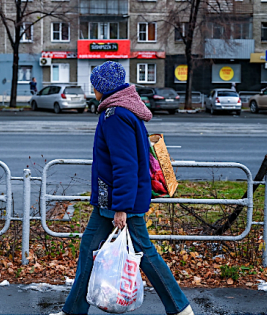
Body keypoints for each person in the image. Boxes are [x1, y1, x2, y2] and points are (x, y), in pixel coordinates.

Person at [51, 61, 194, 315]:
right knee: (89, 251)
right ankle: (72, 310)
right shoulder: (124, 111)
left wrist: (122, 208)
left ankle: (180, 308)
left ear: (104, 88)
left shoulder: (115, 115)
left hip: (119, 203)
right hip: (111, 202)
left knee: (146, 256)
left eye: (95, 85)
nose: (92, 90)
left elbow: (125, 165)